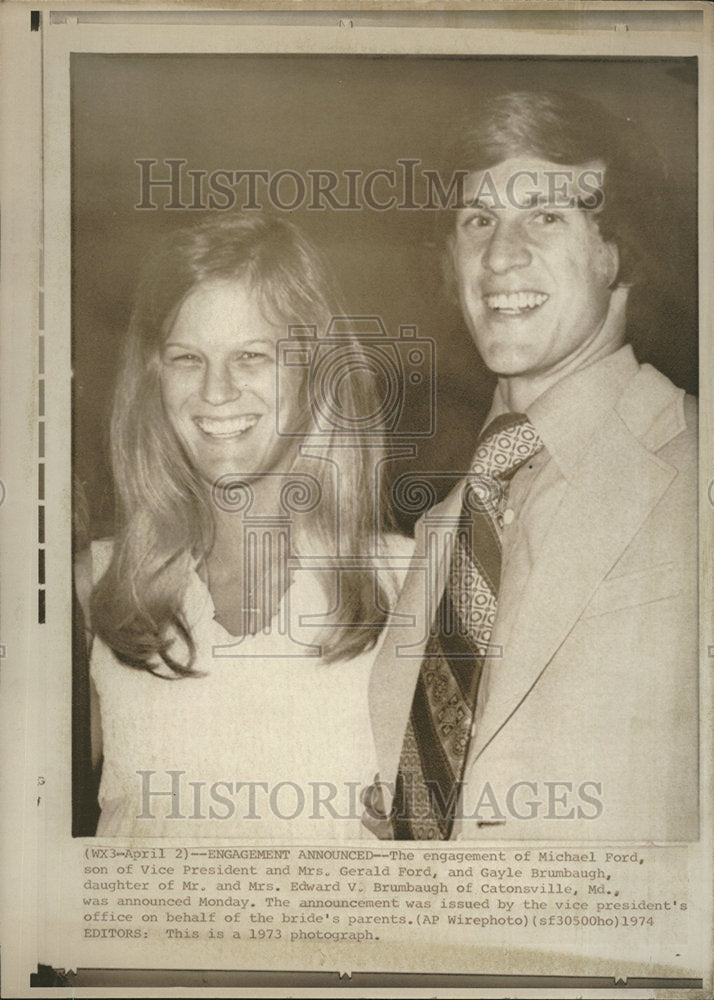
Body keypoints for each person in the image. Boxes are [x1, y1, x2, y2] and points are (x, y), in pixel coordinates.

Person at [364, 91, 698, 841]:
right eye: (477, 220)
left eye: (545, 214)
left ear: (621, 248)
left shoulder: (697, 471)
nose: (499, 255)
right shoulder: (442, 523)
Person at [75, 212, 413, 838]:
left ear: (317, 373)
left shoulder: (412, 580)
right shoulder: (92, 588)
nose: (217, 392)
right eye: (187, 359)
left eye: (252, 356)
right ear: (154, 377)